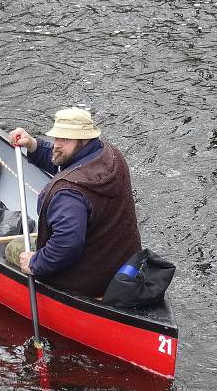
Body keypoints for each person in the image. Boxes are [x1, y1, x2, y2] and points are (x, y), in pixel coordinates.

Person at [7, 108, 141, 297]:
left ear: (83, 140)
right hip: (122, 266)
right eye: (57, 137)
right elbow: (63, 161)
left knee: (14, 247)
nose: (57, 144)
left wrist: (35, 263)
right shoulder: (110, 155)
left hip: (85, 281)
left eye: (65, 139)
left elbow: (65, 247)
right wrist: (32, 145)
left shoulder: (68, 194)